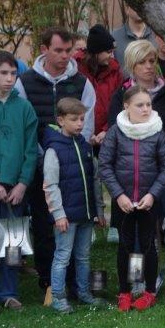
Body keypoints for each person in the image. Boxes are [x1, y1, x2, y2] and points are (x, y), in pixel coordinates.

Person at [107, 39, 165, 292]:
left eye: (152, 61)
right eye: (142, 62)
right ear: (131, 65)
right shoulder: (121, 95)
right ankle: (137, 279)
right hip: (133, 177)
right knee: (135, 229)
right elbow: (115, 134)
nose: (148, 66)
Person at [16, 28, 97, 295]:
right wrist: (43, 157)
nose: (64, 56)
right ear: (44, 50)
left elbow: (86, 126)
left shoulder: (82, 83)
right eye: (58, 50)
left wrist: (71, 153)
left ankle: (74, 281)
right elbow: (24, 126)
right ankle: (48, 281)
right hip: (39, 163)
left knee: (73, 221)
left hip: (73, 165)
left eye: (68, 51)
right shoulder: (24, 82)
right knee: (44, 223)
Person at [98, 85, 165, 312]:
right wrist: (118, 195)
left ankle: (149, 292)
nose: (145, 109)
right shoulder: (115, 132)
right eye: (140, 105)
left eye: (148, 104)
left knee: (149, 245)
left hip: (149, 202)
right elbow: (105, 165)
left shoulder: (158, 132)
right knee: (125, 245)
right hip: (123, 202)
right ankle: (125, 292)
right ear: (126, 106)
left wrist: (152, 195)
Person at [0, 51, 38, 315]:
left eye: (13, 73)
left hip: (15, 187)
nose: (9, 78)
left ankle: (9, 292)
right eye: (3, 73)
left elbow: (31, 150)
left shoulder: (24, 108)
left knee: (13, 243)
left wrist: (23, 183)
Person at [42, 97, 105, 313]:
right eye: (74, 119)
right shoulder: (53, 150)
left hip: (86, 215)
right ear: (61, 120)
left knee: (83, 256)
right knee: (62, 256)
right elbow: (50, 185)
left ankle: (84, 292)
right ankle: (58, 297)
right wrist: (58, 214)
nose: (79, 123)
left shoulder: (86, 147)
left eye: (82, 119)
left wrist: (99, 210)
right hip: (66, 217)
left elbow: (95, 180)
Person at [74, 25, 125, 144]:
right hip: (79, 135)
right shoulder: (76, 69)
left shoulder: (115, 72)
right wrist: (85, 131)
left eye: (112, 52)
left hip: (107, 137)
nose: (111, 55)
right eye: (108, 52)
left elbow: (120, 104)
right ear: (96, 51)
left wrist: (107, 130)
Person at [111, 5, 155, 72]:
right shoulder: (114, 37)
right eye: (135, 5)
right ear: (127, 9)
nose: (139, 9)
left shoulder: (156, 35)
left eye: (142, 5)